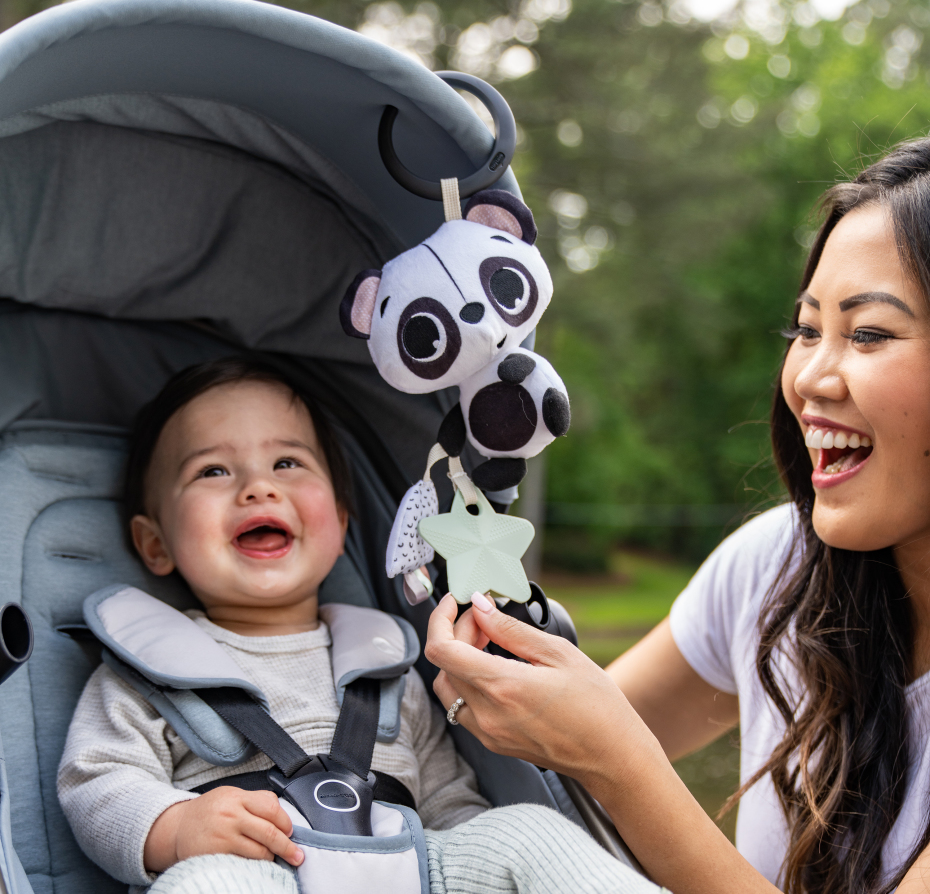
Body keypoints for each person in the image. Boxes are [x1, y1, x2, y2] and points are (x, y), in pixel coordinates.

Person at [426, 137, 930, 894]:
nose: (810, 378)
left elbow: (609, 751)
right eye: (806, 328)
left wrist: (620, 764)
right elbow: (552, 757)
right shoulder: (776, 567)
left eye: (867, 333)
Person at [57, 357, 662, 894]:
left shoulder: (384, 661)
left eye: (287, 461)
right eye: (213, 471)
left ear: (341, 525)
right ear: (154, 543)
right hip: (257, 868)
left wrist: (478, 850)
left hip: (410, 866)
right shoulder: (148, 672)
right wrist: (176, 826)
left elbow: (447, 798)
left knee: (527, 832)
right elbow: (98, 782)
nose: (258, 487)